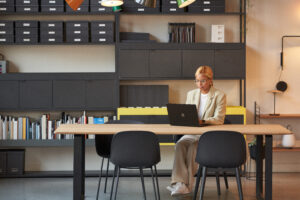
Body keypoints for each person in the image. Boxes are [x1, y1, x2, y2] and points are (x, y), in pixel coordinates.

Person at [167, 65, 227, 196]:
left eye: (203, 81)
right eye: (197, 81)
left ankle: (186, 186)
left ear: (210, 80)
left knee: (193, 148)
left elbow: (219, 119)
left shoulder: (219, 95)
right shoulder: (191, 94)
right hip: (192, 131)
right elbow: (187, 114)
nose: (199, 84)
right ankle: (180, 183)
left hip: (208, 134)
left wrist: (203, 121)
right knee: (180, 144)